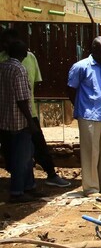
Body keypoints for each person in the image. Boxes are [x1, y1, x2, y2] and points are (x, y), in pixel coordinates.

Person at [0, 28, 71, 188]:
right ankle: (20, 185)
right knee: (13, 150)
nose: (5, 45)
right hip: (9, 114)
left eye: (8, 42)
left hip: (28, 112)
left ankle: (47, 175)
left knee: (37, 146)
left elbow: (31, 87)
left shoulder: (29, 58)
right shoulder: (5, 62)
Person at [67, 37, 101, 197]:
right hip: (89, 115)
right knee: (90, 152)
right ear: (94, 49)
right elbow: (71, 90)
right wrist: (82, 107)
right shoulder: (80, 67)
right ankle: (91, 188)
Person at [0, 40, 39, 203]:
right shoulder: (19, 69)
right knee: (21, 158)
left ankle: (29, 186)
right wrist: (30, 121)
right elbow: (22, 99)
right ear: (24, 53)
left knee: (26, 153)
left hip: (5, 119)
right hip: (19, 120)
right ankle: (17, 191)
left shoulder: (3, 67)